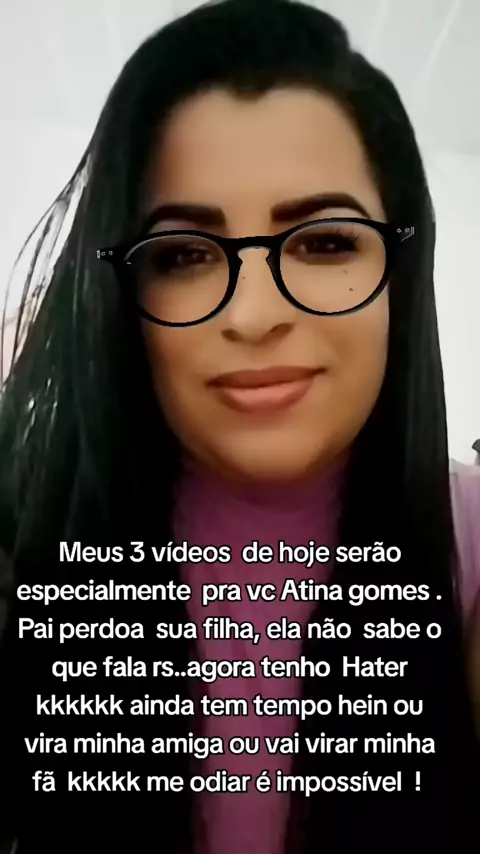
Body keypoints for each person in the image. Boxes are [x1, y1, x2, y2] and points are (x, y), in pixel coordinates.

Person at [0, 1, 478, 852]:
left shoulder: (470, 549)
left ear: (402, 272)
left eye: (324, 243)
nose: (253, 316)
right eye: (183, 255)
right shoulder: (27, 537)